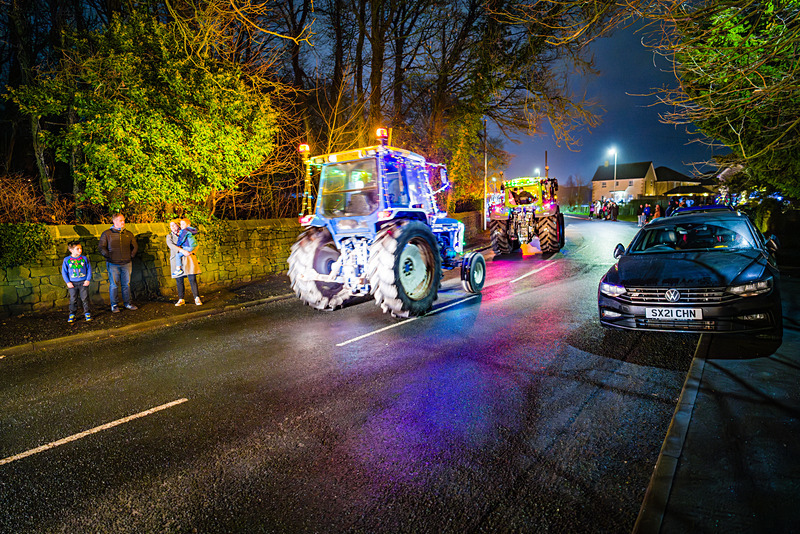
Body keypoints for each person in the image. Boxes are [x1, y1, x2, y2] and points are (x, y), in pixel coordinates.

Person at [99, 213, 138, 313]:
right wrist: (109, 256)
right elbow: (102, 247)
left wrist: (131, 256)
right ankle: (114, 305)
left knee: (126, 284)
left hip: (126, 263)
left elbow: (135, 246)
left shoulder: (128, 234)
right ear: (114, 221)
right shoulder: (107, 234)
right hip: (113, 264)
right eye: (121, 220)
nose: (123, 222)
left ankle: (127, 303)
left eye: (123, 220)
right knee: (114, 285)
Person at [167, 220, 202, 306]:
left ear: (178, 225)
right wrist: (182, 250)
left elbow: (195, 244)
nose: (172, 227)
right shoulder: (169, 236)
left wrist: (192, 251)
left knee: (192, 278)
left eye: (174, 225)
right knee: (179, 280)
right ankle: (181, 299)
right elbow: (171, 246)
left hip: (188, 258)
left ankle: (197, 298)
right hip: (176, 260)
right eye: (171, 226)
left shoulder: (186, 232)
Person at [61, 240, 92, 323]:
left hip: (83, 282)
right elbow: (64, 272)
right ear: (71, 250)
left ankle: (87, 313)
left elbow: (89, 269)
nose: (80, 250)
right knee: (73, 299)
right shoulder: (67, 260)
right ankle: (72, 314)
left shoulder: (84, 258)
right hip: (72, 284)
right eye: (77, 249)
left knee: (85, 298)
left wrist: (87, 279)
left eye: (80, 248)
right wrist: (68, 282)